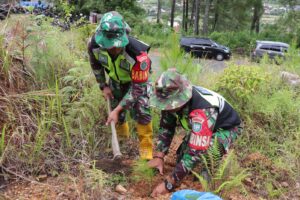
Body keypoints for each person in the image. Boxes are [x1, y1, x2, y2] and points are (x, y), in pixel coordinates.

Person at [148, 68, 242, 197]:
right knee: (181, 157)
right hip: (203, 127)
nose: (167, 107)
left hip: (225, 128)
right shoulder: (172, 103)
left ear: (181, 98)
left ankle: (205, 186)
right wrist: (159, 156)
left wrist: (169, 184)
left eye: (169, 103)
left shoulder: (203, 110)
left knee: (208, 155)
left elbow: (194, 152)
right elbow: (166, 127)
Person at [87, 11, 153, 160]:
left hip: (137, 83)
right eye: (109, 46)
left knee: (142, 111)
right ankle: (123, 142)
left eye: (116, 46)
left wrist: (116, 110)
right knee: (119, 115)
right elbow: (95, 65)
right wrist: (103, 86)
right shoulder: (94, 44)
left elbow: (137, 89)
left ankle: (146, 152)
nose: (113, 49)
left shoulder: (138, 55)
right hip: (115, 81)